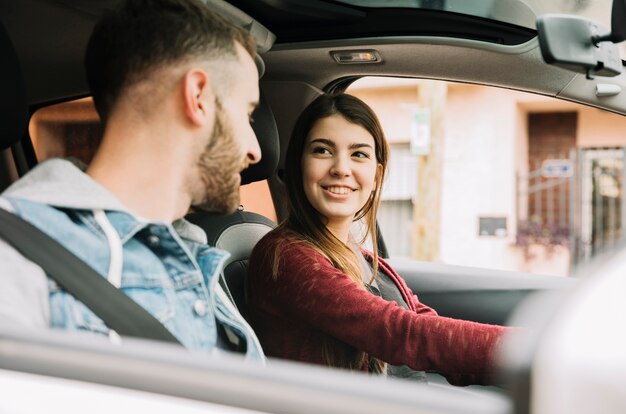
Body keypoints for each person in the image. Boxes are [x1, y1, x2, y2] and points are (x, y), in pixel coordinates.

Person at [0, 0, 264, 361]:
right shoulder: (15, 257)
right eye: (247, 114)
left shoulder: (194, 252)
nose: (255, 150)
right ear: (198, 96)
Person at [247, 93, 508, 384]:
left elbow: (428, 326)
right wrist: (528, 350)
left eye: (358, 154)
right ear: (298, 165)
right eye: (322, 150)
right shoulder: (286, 256)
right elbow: (403, 334)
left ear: (376, 176)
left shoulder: (365, 260)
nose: (341, 169)